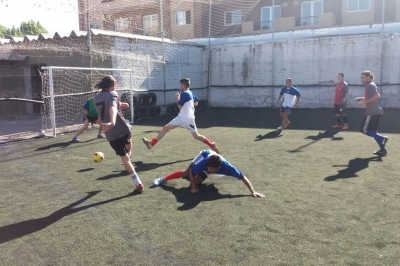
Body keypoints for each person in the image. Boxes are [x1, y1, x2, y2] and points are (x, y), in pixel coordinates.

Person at [92, 75, 144, 192]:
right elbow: (112, 107)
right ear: (112, 86)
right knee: (128, 143)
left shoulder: (95, 97)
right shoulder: (113, 94)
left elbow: (108, 105)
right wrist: (112, 121)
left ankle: (138, 183)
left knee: (124, 159)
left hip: (110, 134)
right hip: (122, 129)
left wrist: (121, 104)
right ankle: (129, 152)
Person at [142, 78, 219, 153]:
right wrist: (189, 104)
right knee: (166, 127)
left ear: (183, 85)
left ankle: (212, 145)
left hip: (188, 119)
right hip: (181, 117)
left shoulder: (185, 94)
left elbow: (179, 106)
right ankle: (152, 143)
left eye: (180, 85)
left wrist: (177, 98)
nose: (180, 87)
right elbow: (196, 103)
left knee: (196, 136)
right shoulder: (190, 93)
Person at [152, 150, 265, 198]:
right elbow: (191, 172)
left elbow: (242, 177)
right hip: (204, 154)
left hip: (213, 159)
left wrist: (253, 191)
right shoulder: (205, 162)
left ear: (219, 168)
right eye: (208, 168)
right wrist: (194, 188)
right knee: (186, 173)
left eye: (211, 169)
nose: (209, 170)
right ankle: (163, 179)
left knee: (195, 181)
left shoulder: (229, 168)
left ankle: (198, 180)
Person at [355, 70, 388, 155]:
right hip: (377, 111)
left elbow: (377, 96)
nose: (361, 79)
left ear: (368, 77)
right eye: (361, 77)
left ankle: (382, 138)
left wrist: (364, 102)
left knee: (363, 129)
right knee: (373, 131)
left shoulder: (370, 85)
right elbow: (371, 97)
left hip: (371, 112)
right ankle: (383, 149)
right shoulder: (370, 85)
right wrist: (362, 98)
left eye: (363, 77)